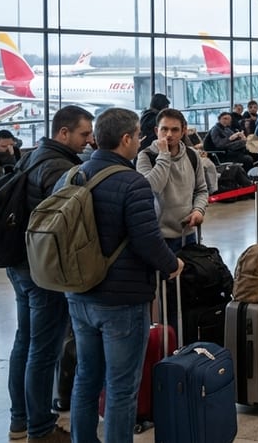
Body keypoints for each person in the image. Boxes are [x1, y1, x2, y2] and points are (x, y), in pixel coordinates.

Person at [65, 107, 184, 443]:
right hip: (121, 300)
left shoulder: (74, 175)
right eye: (138, 136)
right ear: (127, 138)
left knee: (86, 378)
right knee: (121, 386)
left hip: (79, 294)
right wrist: (172, 264)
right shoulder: (132, 183)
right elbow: (148, 241)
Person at [7, 105, 94, 443]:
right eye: (84, 134)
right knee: (44, 350)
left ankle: (20, 420)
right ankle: (41, 429)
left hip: (19, 262)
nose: (89, 141)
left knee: (24, 341)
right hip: (42, 270)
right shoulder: (60, 168)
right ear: (64, 132)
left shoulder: (32, 156)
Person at [136, 108, 208, 252]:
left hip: (187, 232)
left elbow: (201, 190)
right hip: (158, 237)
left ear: (183, 131)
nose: (169, 134)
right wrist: (164, 155)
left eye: (175, 130)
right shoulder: (145, 156)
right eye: (164, 129)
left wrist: (198, 210)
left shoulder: (192, 155)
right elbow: (153, 188)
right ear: (156, 130)